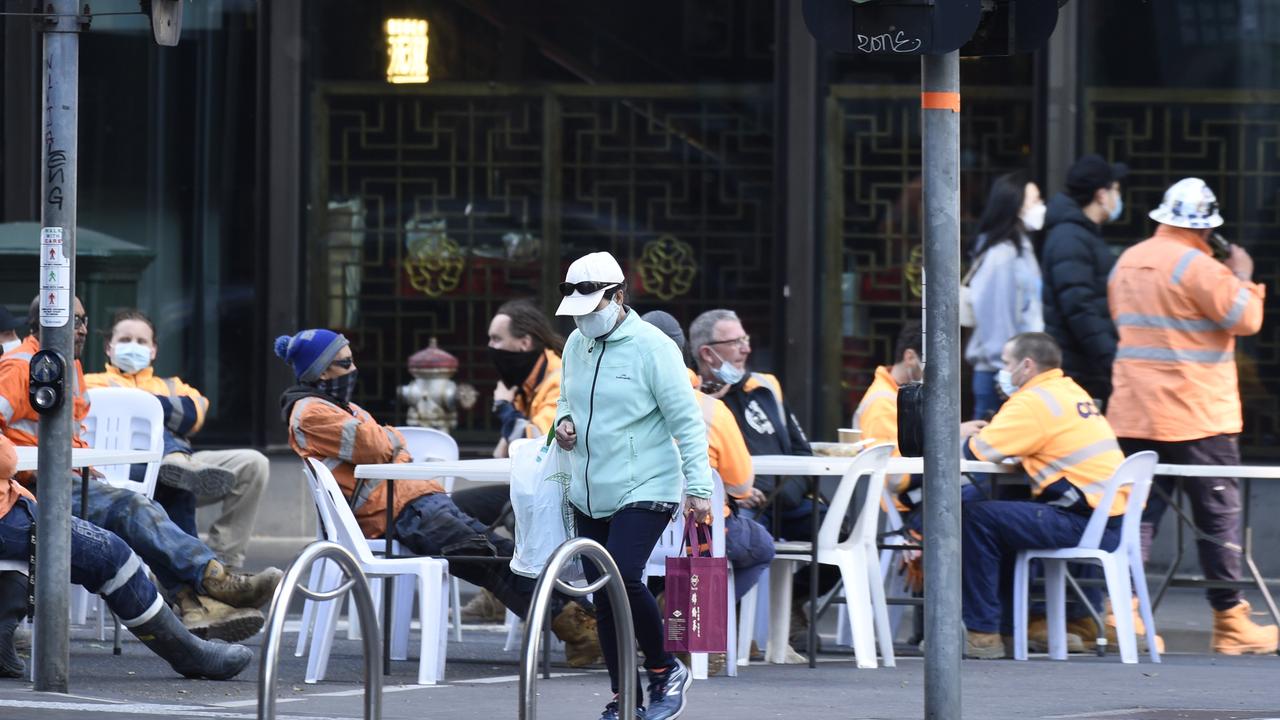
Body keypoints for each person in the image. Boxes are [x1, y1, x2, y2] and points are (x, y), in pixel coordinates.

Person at [275, 328, 602, 667]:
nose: (353, 368)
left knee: (495, 555)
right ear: (322, 370)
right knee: (493, 558)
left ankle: (583, 627)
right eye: (345, 362)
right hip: (398, 512)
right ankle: (581, 627)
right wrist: (389, 444)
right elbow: (378, 444)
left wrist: (389, 444)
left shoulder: (340, 407)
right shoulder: (312, 412)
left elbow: (391, 443)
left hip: (416, 501)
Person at [0, 297, 281, 642]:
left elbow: (68, 433)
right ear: (45, 323)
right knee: (133, 508)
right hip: (32, 490)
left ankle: (197, 604)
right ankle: (213, 581)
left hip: (67, 480)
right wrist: (27, 468)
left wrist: (82, 461)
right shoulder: (22, 366)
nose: (84, 328)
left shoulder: (66, 365)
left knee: (146, 508)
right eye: (75, 321)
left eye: (85, 320)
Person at [1107, 178, 1277, 655]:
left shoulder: (1127, 261)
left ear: (1162, 219)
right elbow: (1246, 319)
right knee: (1218, 517)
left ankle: (1125, 612)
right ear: (1206, 230)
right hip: (1197, 413)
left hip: (1136, 411)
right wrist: (1242, 273)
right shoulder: (1199, 266)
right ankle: (1231, 621)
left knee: (1138, 514)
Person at [553, 252, 712, 720]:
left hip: (647, 482)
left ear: (618, 297)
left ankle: (664, 670)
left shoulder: (653, 347)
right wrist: (562, 422)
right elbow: (565, 399)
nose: (584, 319)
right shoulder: (573, 346)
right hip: (588, 486)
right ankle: (625, 695)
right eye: (576, 312)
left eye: (592, 308)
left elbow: (686, 421)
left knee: (622, 576)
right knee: (603, 592)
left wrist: (698, 488)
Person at [0, 434, 253, 680]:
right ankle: (193, 632)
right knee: (112, 552)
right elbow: (7, 458)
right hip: (27, 495)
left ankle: (204, 586)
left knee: (141, 506)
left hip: (40, 487)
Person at [959, 332, 1129, 659]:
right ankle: (1007, 629)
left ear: (1026, 364)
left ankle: (982, 633)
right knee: (1000, 520)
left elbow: (976, 452)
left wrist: (960, 432)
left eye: (1007, 363)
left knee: (975, 516)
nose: (1003, 371)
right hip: (1107, 523)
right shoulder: (1070, 391)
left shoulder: (1033, 401)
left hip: (1081, 522)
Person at [688, 308, 832, 652]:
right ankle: (730, 628)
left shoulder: (765, 386)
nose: (745, 349)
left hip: (786, 499)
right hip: (737, 504)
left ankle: (790, 604)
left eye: (745, 339)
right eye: (735, 341)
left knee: (835, 533)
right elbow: (706, 467)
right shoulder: (698, 402)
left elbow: (801, 452)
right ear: (708, 353)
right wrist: (743, 494)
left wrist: (775, 491)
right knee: (739, 538)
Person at [85, 309, 269, 571]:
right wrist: (158, 409)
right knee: (164, 452)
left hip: (185, 467)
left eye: (141, 341)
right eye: (125, 340)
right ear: (108, 347)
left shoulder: (172, 384)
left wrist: (142, 404)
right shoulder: (90, 382)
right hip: (123, 471)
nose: (133, 346)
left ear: (154, 350)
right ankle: (205, 573)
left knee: (254, 463)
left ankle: (224, 560)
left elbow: (195, 412)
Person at [642, 310, 771, 603]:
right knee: (760, 544)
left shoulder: (616, 404)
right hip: (699, 536)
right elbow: (740, 486)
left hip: (633, 532)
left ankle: (652, 611)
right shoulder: (711, 409)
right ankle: (690, 611)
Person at [455, 300, 565, 623]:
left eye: (496, 339)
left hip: (559, 492)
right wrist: (511, 409)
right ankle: (499, 588)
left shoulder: (557, 377)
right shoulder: (525, 383)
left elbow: (534, 441)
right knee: (455, 508)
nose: (490, 347)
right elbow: (502, 453)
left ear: (525, 343)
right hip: (531, 488)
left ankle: (511, 589)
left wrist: (505, 410)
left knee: (508, 513)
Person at [1040, 154, 1127, 405]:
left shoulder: (1080, 234)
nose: (1117, 199)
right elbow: (1080, 308)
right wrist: (1110, 359)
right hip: (1081, 369)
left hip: (1085, 365)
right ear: (1101, 195)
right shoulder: (1071, 238)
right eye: (1116, 191)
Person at [965, 173, 1046, 420]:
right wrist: (1007, 369)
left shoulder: (1021, 248)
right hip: (1001, 374)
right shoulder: (1002, 255)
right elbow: (996, 318)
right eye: (1034, 200)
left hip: (1017, 370)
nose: (1041, 205)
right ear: (1015, 204)